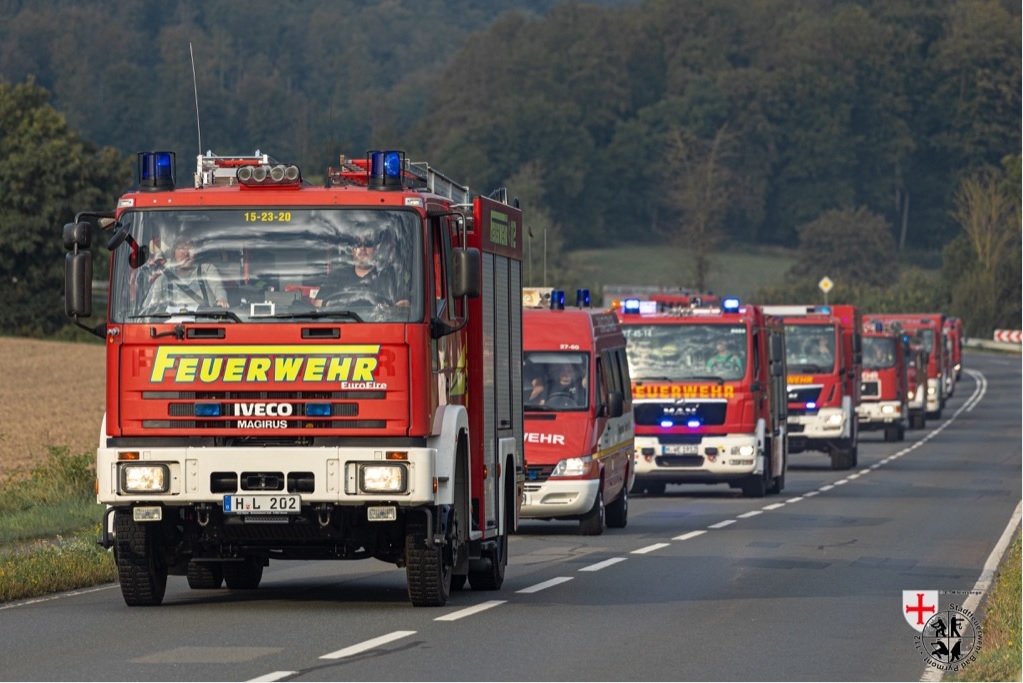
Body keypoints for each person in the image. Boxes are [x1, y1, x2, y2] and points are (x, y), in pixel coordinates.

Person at [317, 229, 409, 308]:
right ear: (353, 249)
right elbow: (318, 304)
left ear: (376, 248)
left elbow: (405, 303)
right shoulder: (336, 276)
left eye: (368, 243)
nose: (362, 248)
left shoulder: (390, 277)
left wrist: (391, 310)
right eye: (357, 243)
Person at [140, 232, 229, 312]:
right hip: (171, 328)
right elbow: (147, 309)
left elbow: (218, 288)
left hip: (204, 325)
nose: (185, 253)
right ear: (174, 253)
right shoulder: (164, 278)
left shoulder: (207, 269)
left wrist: (221, 300)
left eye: (190, 248)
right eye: (181, 248)